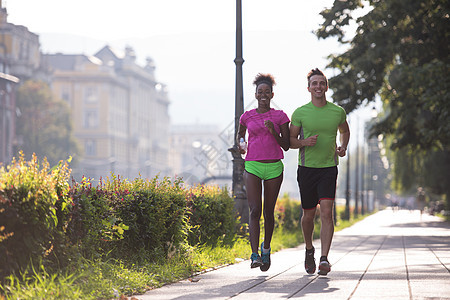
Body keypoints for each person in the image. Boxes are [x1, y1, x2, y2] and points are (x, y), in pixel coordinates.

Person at [289, 68, 350, 276]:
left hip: (328, 168)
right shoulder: (300, 112)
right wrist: (305, 142)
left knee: (326, 213)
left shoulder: (337, 112)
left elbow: (345, 131)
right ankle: (309, 249)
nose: (318, 87)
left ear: (326, 86)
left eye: (321, 83)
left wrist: (343, 147)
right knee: (308, 215)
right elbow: (290, 141)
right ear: (308, 88)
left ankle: (324, 258)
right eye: (314, 83)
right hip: (306, 169)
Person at [237, 73, 290, 271]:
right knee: (254, 210)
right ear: (256, 94)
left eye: (267, 92)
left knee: (268, 212)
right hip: (252, 166)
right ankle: (254, 255)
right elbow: (240, 137)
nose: (264, 95)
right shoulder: (247, 116)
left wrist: (273, 131)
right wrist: (242, 146)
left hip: (274, 166)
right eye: (260, 92)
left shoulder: (280, 116)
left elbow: (286, 145)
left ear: (272, 94)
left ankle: (266, 249)